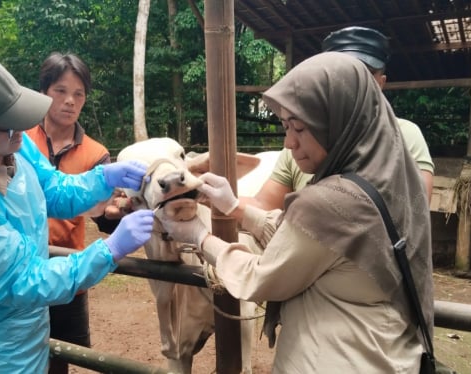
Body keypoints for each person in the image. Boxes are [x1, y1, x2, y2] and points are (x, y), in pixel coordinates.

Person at [160, 52, 433, 373]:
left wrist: (199, 237)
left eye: (300, 128)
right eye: (285, 126)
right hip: (390, 356)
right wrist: (234, 207)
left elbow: (261, 276)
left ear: (338, 123)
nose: (288, 142)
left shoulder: (329, 201)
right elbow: (315, 242)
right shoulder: (391, 178)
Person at [0, 51, 154, 373]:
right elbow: (25, 282)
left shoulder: (10, 143)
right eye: (8, 127)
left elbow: (51, 188)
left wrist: (102, 178)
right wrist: (108, 251)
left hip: (28, 337)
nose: (19, 133)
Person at [244, 26, 435, 210]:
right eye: (340, 75)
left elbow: (415, 213)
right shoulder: (298, 139)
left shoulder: (405, 135)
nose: (350, 84)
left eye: (363, 74)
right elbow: (265, 205)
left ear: (381, 83)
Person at [24, 52, 119, 373]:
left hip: (69, 275)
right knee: (23, 352)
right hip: (22, 268)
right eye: (60, 91)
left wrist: (121, 211)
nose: (70, 101)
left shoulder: (96, 154)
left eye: (78, 94)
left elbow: (104, 218)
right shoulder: (19, 140)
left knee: (64, 356)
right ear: (43, 92)